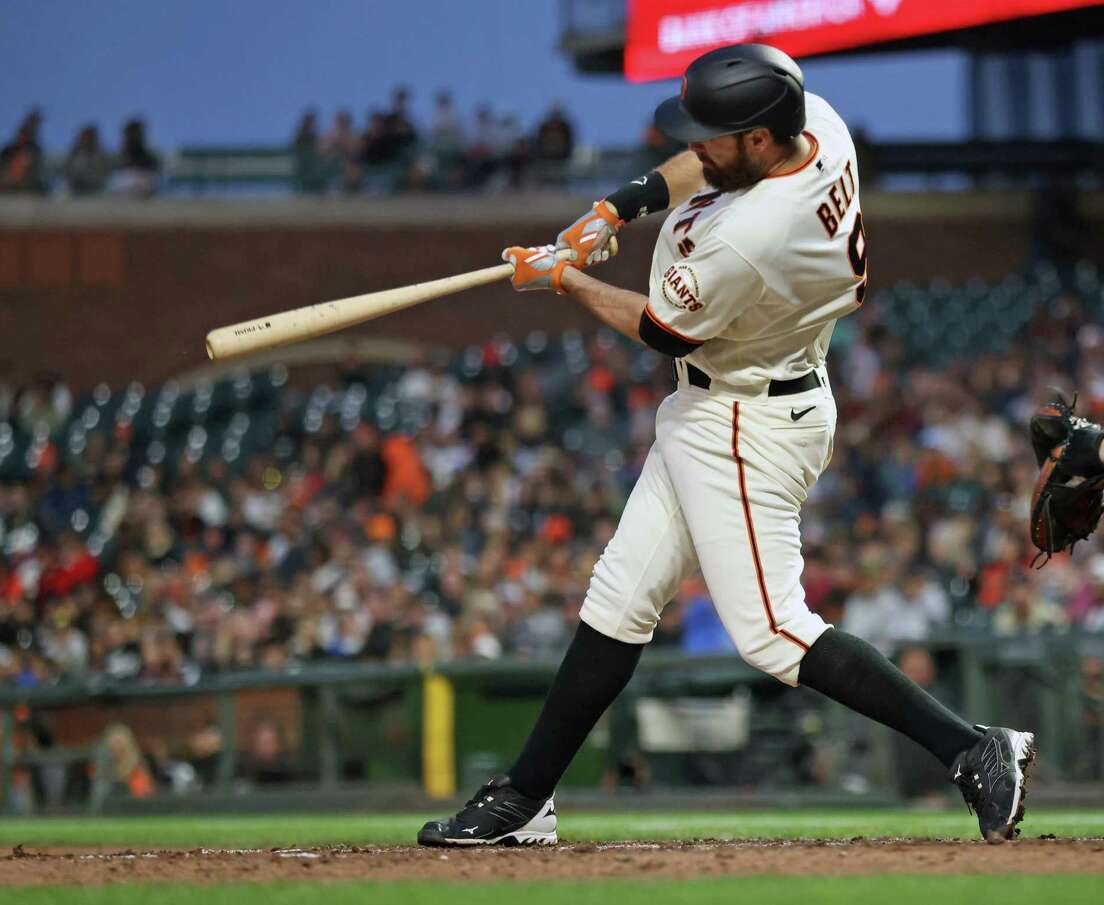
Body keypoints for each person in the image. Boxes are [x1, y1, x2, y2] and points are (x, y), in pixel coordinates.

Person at [418, 43, 1034, 848]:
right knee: (619, 598)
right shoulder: (816, 124)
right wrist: (615, 209)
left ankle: (972, 748)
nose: (698, 146)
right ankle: (527, 795)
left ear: (761, 141)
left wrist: (562, 278)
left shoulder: (756, 233)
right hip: (729, 398)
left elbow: (659, 327)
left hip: (746, 418)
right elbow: (696, 169)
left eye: (718, 134)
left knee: (773, 632)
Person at [0, 109, 46, 195]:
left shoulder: (34, 152)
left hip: (26, 190)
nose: (23, 138)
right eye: (22, 134)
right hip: (7, 190)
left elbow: (36, 175)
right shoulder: (7, 152)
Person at [65, 125, 110, 196]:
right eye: (84, 138)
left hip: (96, 186)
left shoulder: (99, 154)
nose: (86, 140)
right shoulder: (75, 155)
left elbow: (104, 172)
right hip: (77, 186)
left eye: (89, 138)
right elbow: (69, 172)